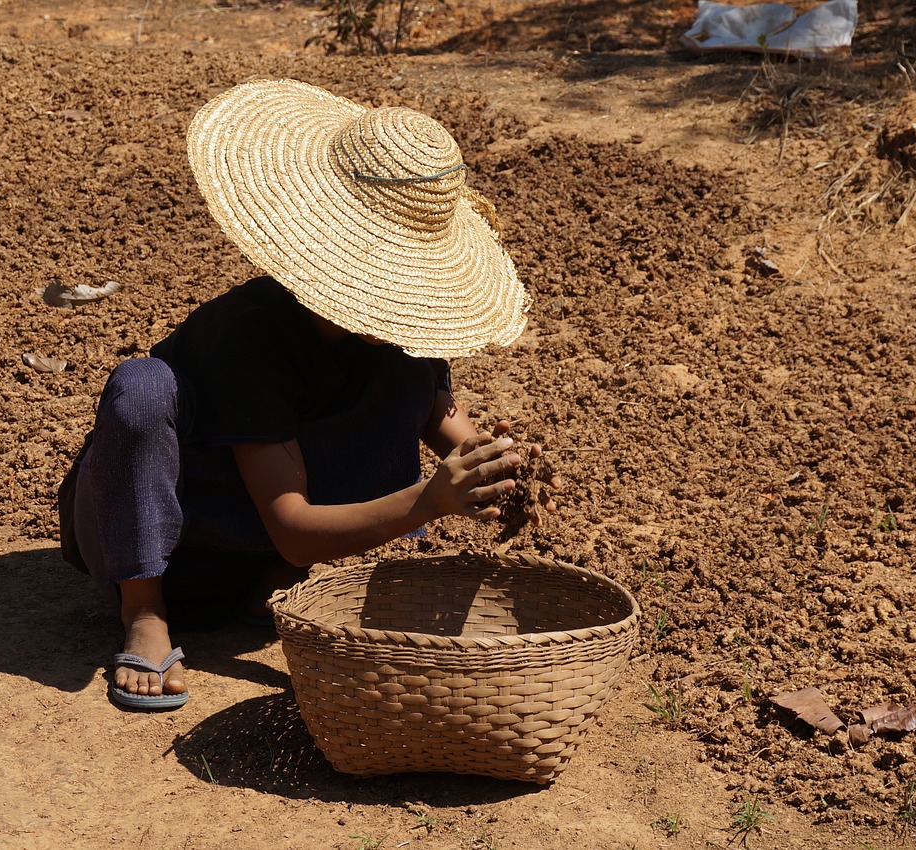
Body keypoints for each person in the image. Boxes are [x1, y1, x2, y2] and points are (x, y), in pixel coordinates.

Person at [58, 79, 553, 711]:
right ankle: (144, 609)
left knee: (401, 367)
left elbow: (433, 405)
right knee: (141, 388)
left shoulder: (400, 332)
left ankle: (272, 591)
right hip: (167, 537)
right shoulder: (248, 337)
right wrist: (429, 500)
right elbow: (292, 526)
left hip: (262, 552)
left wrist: (489, 462)